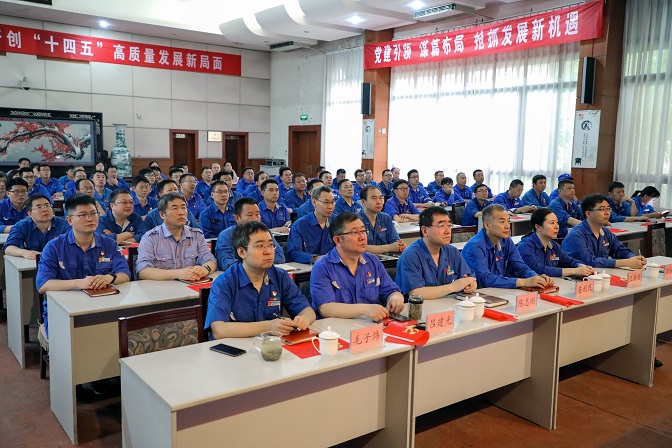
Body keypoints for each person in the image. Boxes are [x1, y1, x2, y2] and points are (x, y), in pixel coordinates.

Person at [36, 194, 131, 337]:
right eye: (82, 215)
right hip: (63, 310)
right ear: (69, 220)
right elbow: (43, 284)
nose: (90, 218)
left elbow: (125, 274)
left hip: (102, 305)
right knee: (73, 340)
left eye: (93, 213)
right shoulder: (54, 247)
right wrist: (77, 283)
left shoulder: (108, 243)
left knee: (118, 335)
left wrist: (109, 278)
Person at [206, 222, 315, 339]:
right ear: (241, 252)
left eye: (271, 245)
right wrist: (268, 326)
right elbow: (219, 330)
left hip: (271, 345)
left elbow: (307, 310)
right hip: (235, 347)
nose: (268, 251)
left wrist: (304, 319)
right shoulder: (224, 282)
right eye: (259, 246)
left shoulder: (280, 276)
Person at [309, 212, 405, 320]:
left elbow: (391, 290)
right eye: (355, 233)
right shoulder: (323, 267)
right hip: (337, 327)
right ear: (338, 240)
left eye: (363, 231)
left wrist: (395, 298)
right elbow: (325, 308)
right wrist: (364, 309)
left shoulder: (373, 261)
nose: (362, 237)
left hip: (370, 324)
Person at [462, 204, 553, 289]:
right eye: (502, 222)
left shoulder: (506, 241)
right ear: (487, 225)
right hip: (477, 294)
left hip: (498, 291)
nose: (507, 226)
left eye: (508, 221)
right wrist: (523, 282)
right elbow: (485, 279)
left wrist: (536, 278)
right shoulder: (475, 246)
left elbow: (521, 267)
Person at [396, 207, 476, 299]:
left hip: (449, 305)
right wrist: (452, 287)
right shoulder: (410, 256)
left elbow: (470, 278)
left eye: (449, 225)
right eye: (441, 226)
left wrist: (471, 285)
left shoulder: (452, 251)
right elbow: (415, 293)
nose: (447, 231)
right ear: (425, 231)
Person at [136, 193, 217, 281]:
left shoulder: (196, 235)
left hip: (190, 286)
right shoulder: (150, 238)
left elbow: (210, 261)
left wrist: (204, 270)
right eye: (174, 208)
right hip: (163, 288)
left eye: (183, 208)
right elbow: (143, 271)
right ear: (162, 215)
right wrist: (179, 274)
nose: (181, 212)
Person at [562, 193, 647, 269]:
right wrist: (625, 263)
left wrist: (633, 258)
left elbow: (619, 249)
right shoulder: (576, 235)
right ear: (588, 213)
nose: (607, 213)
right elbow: (589, 261)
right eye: (602, 209)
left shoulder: (606, 232)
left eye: (608, 209)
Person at [518, 208, 594, 278]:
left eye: (557, 222)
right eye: (552, 223)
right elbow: (540, 270)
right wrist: (574, 271)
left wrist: (581, 266)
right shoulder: (525, 246)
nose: (557, 227)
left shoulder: (554, 245)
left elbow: (568, 261)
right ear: (538, 227)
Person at [215, 197, 285, 271]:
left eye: (257, 214)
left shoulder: (265, 233)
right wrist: (255, 263)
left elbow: (280, 257)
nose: (255, 218)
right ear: (237, 218)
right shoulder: (226, 235)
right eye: (250, 215)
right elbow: (225, 261)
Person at [4, 194, 70, 260]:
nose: (45, 209)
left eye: (47, 206)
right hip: (31, 263)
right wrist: (24, 252)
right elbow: (8, 248)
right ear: (30, 214)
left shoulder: (64, 224)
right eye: (39, 207)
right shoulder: (21, 226)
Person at [287, 185, 335, 264]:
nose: (330, 207)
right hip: (309, 267)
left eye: (332, 202)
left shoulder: (337, 222)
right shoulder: (300, 225)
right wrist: (316, 258)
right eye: (326, 202)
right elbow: (294, 253)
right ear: (314, 202)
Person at [358, 186, 406, 254]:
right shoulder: (355, 220)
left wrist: (401, 245)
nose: (378, 202)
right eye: (374, 198)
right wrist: (389, 247)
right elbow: (359, 247)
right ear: (363, 202)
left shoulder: (385, 218)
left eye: (381, 198)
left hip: (387, 258)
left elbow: (396, 242)